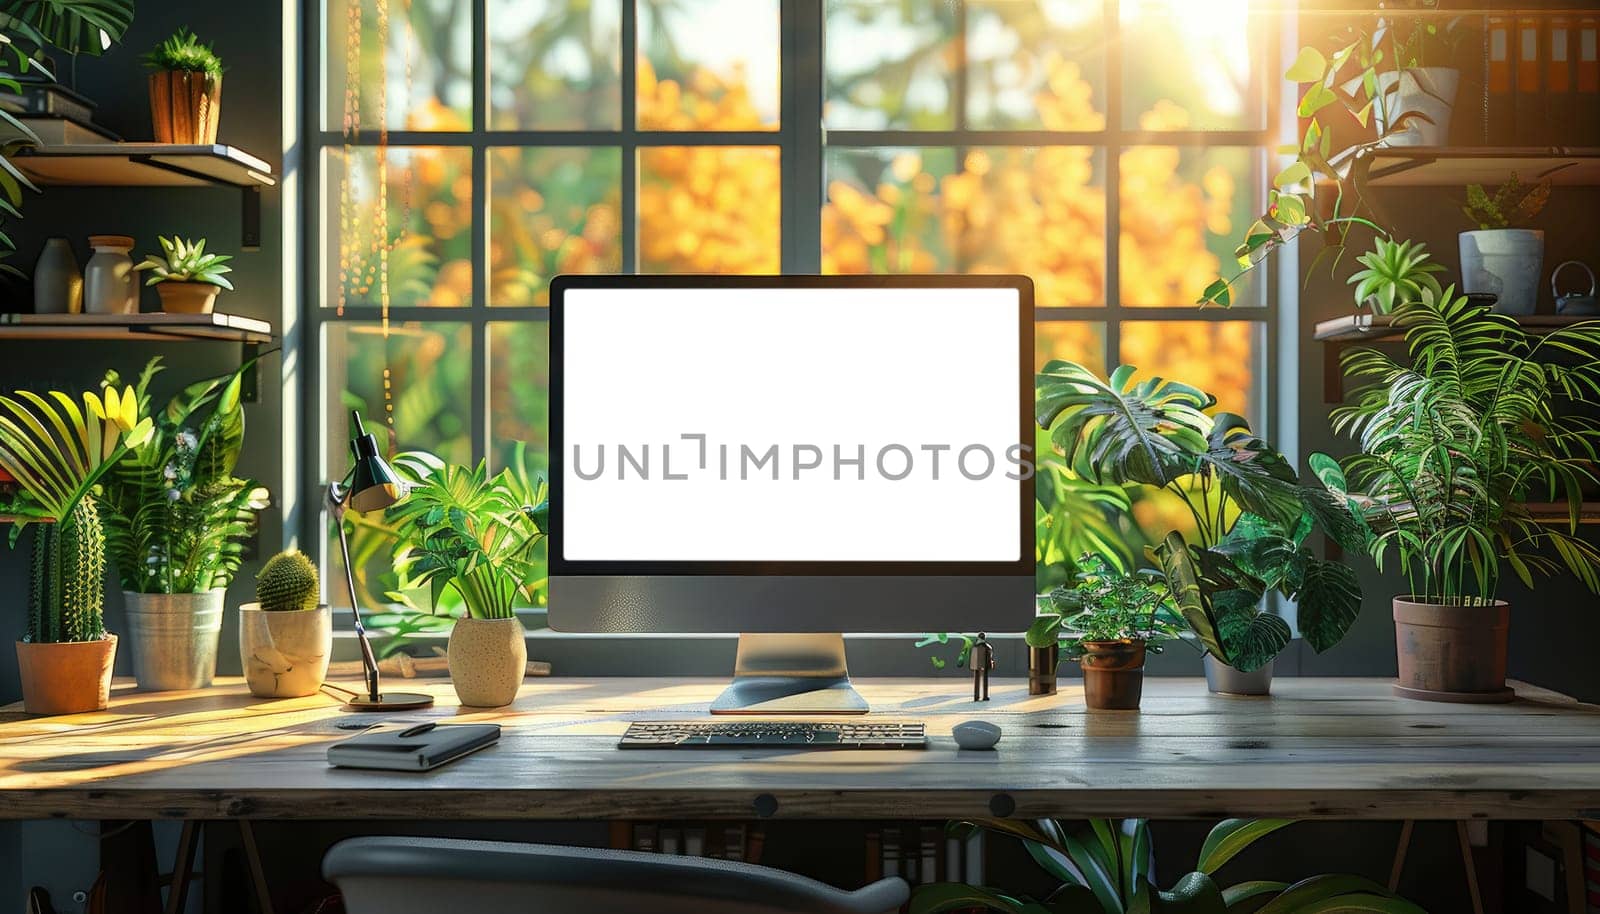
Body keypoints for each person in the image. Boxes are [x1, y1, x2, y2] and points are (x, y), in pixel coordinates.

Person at [969, 632, 995, 701]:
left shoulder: (974, 647)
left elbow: (972, 657)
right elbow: (990, 657)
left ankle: (976, 696)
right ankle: (985, 696)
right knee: (985, 681)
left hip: (976, 665)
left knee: (976, 681)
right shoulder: (987, 647)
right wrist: (990, 664)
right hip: (985, 665)